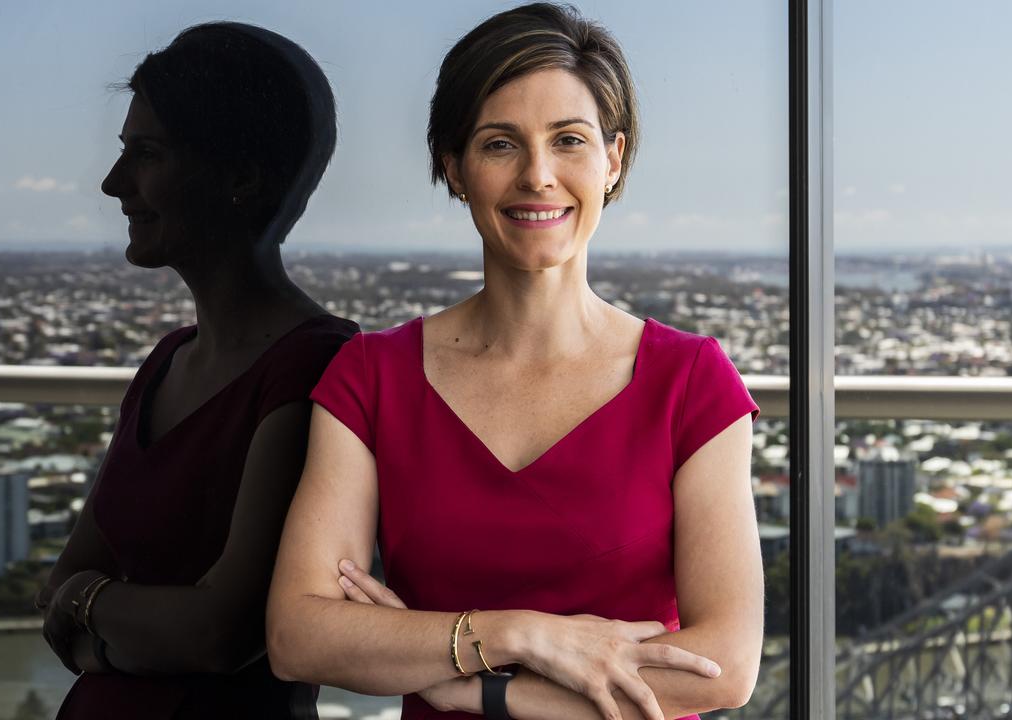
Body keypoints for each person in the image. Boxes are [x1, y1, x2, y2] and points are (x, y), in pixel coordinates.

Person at [266, 4, 763, 720]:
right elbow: (299, 634)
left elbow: (723, 668)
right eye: (500, 145)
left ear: (612, 160)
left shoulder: (691, 384)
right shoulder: (371, 378)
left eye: (569, 140)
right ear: (455, 169)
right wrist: (520, 634)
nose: (538, 175)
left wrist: (474, 685)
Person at [35, 22, 357, 719]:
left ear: (240, 177)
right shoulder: (167, 362)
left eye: (146, 154)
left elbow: (222, 632)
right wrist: (105, 613)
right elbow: (60, 579)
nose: (115, 183)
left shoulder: (315, 368)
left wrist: (89, 610)